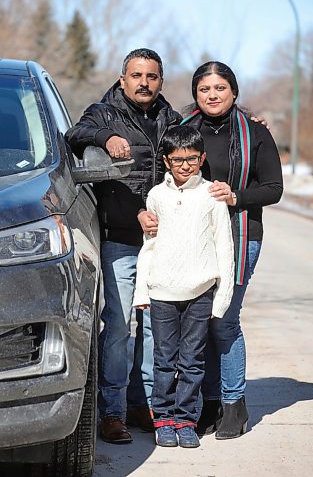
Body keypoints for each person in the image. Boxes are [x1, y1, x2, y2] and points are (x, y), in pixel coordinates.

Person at [139, 61, 283, 440]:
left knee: (224, 320)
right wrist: (146, 213)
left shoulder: (255, 134)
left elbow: (274, 188)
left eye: (220, 88)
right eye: (204, 89)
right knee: (197, 325)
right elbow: (159, 183)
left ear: (234, 91)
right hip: (188, 241)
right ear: (195, 94)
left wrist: (237, 196)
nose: (212, 95)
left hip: (241, 234)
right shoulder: (183, 132)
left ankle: (233, 403)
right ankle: (205, 404)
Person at [65, 48, 181, 443]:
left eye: (151, 76)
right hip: (120, 240)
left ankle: (142, 405)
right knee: (117, 327)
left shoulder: (172, 119)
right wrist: (106, 136)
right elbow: (74, 135)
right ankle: (111, 412)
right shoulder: (103, 111)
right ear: (122, 78)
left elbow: (204, 140)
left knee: (153, 330)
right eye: (136, 75)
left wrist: (247, 118)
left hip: (162, 243)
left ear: (160, 81)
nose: (144, 83)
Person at [132, 126, 234, 448]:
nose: (186, 166)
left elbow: (224, 246)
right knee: (163, 359)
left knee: (192, 360)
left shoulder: (211, 196)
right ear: (166, 161)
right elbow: (149, 246)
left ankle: (186, 420)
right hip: (162, 293)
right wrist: (142, 292)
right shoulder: (156, 196)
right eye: (178, 160)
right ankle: (162, 418)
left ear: (202, 158)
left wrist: (221, 299)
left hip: (200, 293)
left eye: (192, 159)